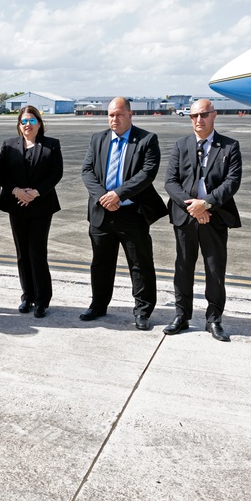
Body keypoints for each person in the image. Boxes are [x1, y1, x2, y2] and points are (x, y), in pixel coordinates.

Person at [80, 97, 168, 329]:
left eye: (119, 114)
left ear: (130, 115)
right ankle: (98, 305)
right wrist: (104, 197)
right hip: (102, 212)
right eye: (110, 115)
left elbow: (147, 173)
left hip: (132, 213)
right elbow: (87, 171)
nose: (114, 119)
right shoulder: (98, 139)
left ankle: (142, 310)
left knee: (140, 264)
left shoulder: (147, 140)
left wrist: (117, 194)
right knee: (100, 263)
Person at [163, 98, 242, 342]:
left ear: (214, 115)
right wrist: (193, 207)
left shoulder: (229, 146)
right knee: (183, 268)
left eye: (203, 115)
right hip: (186, 217)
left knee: (215, 269)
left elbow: (232, 182)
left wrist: (206, 205)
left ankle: (214, 319)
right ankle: (182, 316)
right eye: (194, 116)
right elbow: (170, 182)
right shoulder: (181, 145)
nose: (199, 120)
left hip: (214, 217)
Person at [0, 106, 63, 318]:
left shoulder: (51, 145)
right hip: (16, 204)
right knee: (21, 254)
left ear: (39, 124)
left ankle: (42, 300)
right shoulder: (9, 146)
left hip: (41, 205)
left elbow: (56, 173)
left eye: (32, 121)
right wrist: (16, 191)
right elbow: (1, 174)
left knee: (37, 252)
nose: (28, 125)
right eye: (24, 121)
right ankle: (27, 296)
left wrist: (35, 193)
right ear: (19, 124)